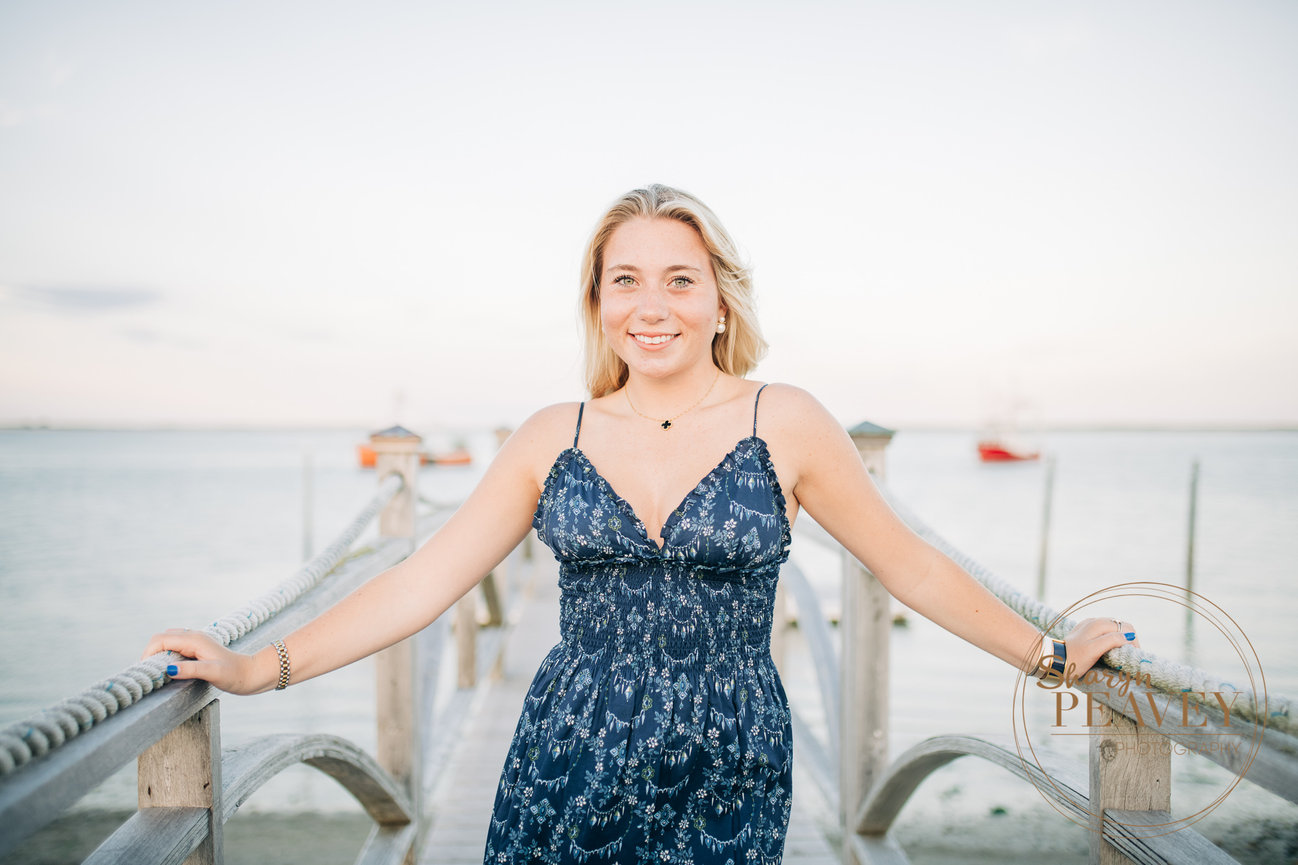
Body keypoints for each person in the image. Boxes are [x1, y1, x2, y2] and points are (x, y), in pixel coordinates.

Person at [145, 184, 1139, 863]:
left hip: (729, 755)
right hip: (567, 750)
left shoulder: (782, 420)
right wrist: (253, 667)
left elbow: (907, 566)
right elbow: (421, 579)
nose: (649, 304)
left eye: (678, 278)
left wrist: (1048, 653)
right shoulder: (551, 434)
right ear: (597, 302)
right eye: (625, 279)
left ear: (718, 302)